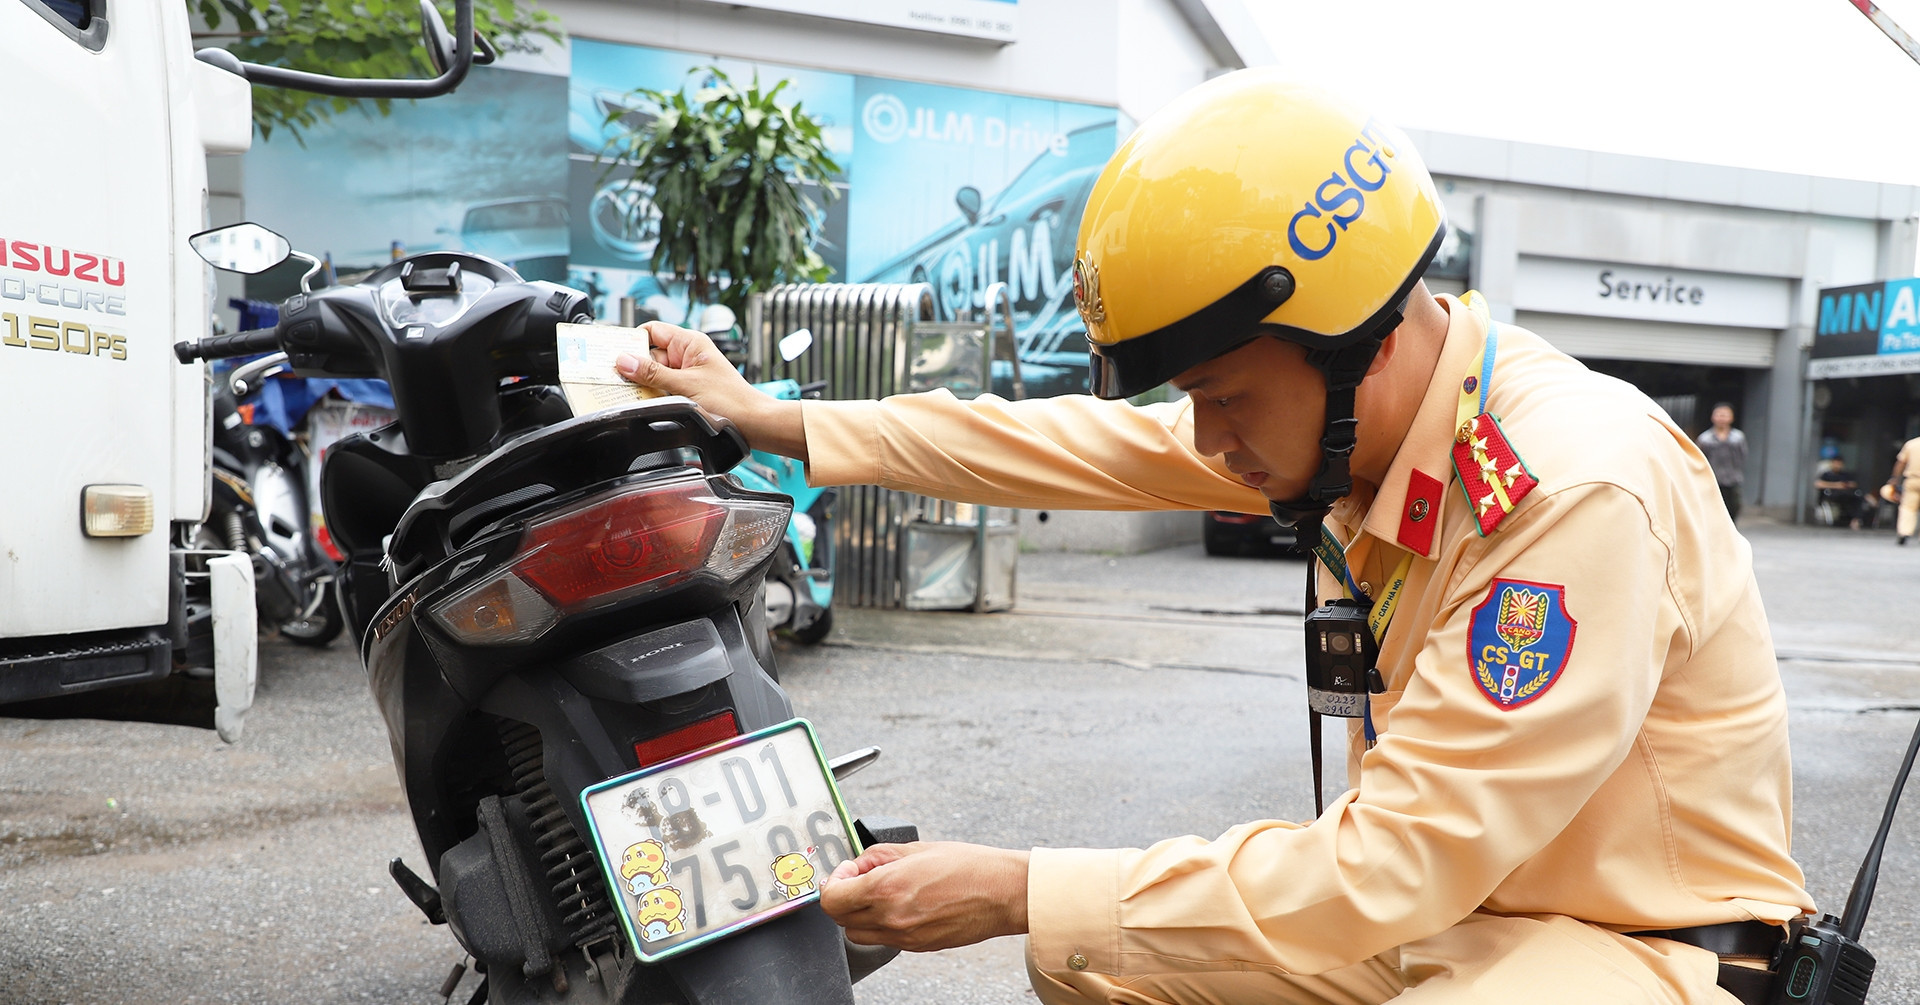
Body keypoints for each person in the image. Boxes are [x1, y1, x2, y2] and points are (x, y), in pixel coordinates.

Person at [617, 71, 1811, 1004]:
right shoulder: (1361, 427)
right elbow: (1061, 444)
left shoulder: (1568, 491)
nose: (1206, 439)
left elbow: (1395, 862)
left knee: (1063, 917)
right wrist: (778, 417)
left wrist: (1020, 887)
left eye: (1223, 399)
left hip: (1639, 949)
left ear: (1366, 344)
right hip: (1457, 917)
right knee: (1091, 958)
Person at [1695, 403, 1747, 522]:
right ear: (1713, 417)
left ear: (1731, 418)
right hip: (1712, 480)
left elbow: (1742, 456)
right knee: (1712, 510)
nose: (1722, 418)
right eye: (1719, 415)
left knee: (1733, 508)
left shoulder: (1738, 438)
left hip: (1733, 479)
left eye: (1725, 415)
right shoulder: (1705, 439)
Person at [1812, 447, 1868, 530]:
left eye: (1839, 463)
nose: (1837, 466)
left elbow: (1853, 483)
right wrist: (1836, 485)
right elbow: (1818, 484)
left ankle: (1855, 519)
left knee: (1858, 498)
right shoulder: (1827, 474)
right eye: (1836, 463)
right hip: (1832, 494)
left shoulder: (1844, 474)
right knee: (1843, 498)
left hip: (1846, 493)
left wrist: (1845, 485)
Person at [1886, 434, 1920, 545]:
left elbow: (1901, 463)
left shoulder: (1911, 444)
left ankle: (1904, 532)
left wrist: (1894, 478)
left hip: (1912, 480)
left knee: (1908, 508)